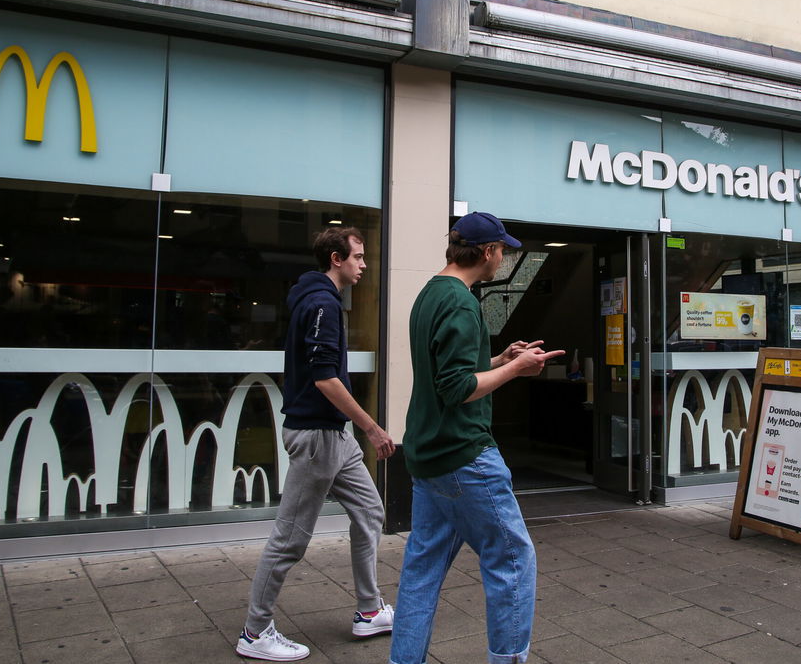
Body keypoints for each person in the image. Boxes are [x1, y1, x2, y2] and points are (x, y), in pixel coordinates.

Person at [390, 212, 564, 664]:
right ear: (487, 252)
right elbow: (457, 389)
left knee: (421, 571)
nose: (503, 258)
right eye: (502, 250)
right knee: (512, 563)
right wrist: (517, 368)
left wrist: (498, 356)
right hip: (464, 456)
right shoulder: (464, 303)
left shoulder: (431, 294)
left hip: (427, 457)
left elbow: (451, 369)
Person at [237, 227, 396, 661]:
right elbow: (325, 378)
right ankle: (255, 633)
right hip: (317, 439)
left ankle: (369, 610)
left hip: (332, 437)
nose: (364, 264)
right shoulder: (324, 303)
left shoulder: (321, 300)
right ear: (335, 258)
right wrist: (372, 428)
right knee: (289, 540)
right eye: (358, 257)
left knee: (370, 511)